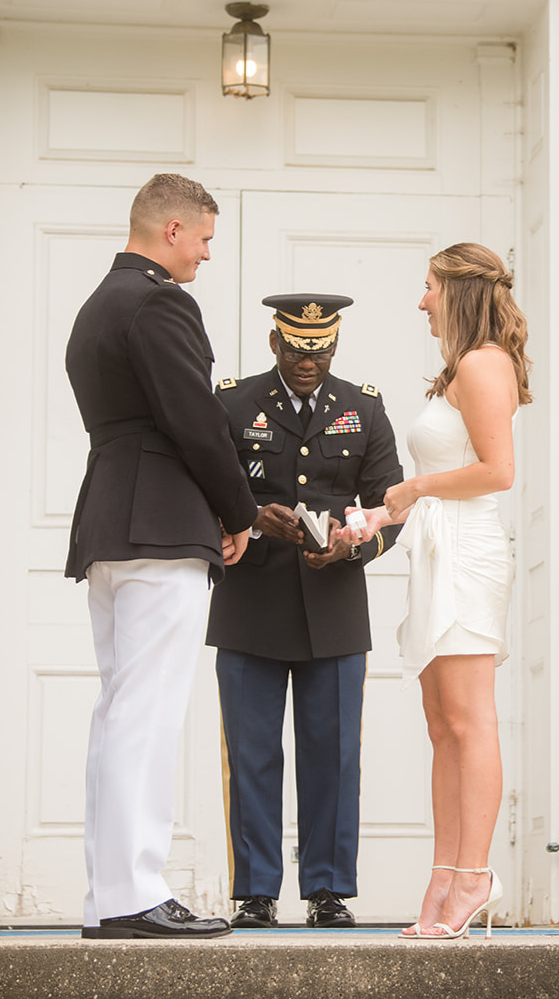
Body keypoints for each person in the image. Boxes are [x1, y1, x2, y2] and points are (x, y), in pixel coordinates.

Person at [64, 173, 258, 940]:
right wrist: (239, 511)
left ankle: (110, 894)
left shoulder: (97, 305)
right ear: (171, 229)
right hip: (162, 524)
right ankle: (134, 893)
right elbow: (198, 420)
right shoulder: (158, 301)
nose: (208, 254)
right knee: (145, 713)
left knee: (119, 711)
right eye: (205, 238)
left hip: (112, 521)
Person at [343, 243, 530, 939]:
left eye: (427, 287)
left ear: (458, 290)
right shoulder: (462, 366)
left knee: (470, 719)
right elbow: (439, 479)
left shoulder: (484, 363)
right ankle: (445, 876)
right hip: (436, 547)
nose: (420, 301)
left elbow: (497, 470)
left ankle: (473, 876)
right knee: (442, 725)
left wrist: (414, 488)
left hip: (469, 553)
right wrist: (376, 517)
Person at [205, 294, 403, 930]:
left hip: (335, 601)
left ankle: (327, 890)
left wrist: (353, 546)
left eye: (319, 350)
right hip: (250, 601)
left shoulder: (364, 408)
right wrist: (245, 516)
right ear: (274, 344)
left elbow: (388, 505)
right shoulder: (233, 403)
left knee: (334, 752)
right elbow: (203, 484)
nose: (308, 362)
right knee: (253, 751)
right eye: (296, 349)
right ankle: (257, 893)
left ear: (335, 346)